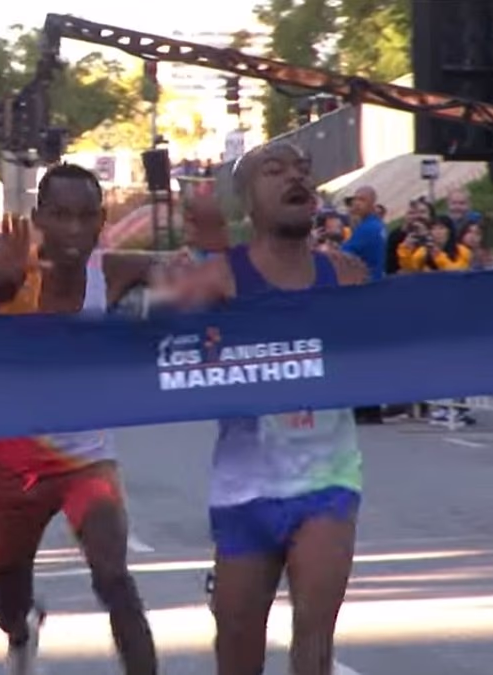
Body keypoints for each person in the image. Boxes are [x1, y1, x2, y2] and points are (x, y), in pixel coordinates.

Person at [168, 142, 369, 675]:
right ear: (248, 204)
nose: (294, 178)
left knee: (313, 643)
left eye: (303, 169)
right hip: (243, 487)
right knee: (236, 648)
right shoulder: (216, 280)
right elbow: (145, 344)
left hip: (327, 480)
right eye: (274, 171)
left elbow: (390, 353)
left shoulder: (347, 277)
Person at [0, 164, 157, 675]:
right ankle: (22, 632)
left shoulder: (114, 273)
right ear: (39, 217)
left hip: (87, 465)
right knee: (8, 601)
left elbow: (207, 279)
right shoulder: (13, 274)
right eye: (60, 215)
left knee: (115, 579)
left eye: (85, 217)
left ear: (101, 220)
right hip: (12, 469)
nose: (72, 229)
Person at [341, 185, 386, 281]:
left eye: (362, 200)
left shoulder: (368, 228)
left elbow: (343, 255)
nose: (357, 203)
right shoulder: (377, 224)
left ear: (372, 203)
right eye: (356, 199)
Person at [397, 216, 472, 272]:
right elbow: (410, 269)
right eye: (433, 228)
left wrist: (438, 256)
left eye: (441, 228)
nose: (437, 232)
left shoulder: (463, 251)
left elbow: (456, 272)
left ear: (449, 231)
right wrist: (405, 249)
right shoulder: (424, 251)